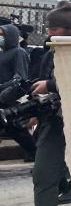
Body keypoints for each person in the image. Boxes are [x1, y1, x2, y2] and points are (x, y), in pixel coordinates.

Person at [13, 4, 71, 206]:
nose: (50, 32)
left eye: (55, 27)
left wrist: (51, 84)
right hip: (53, 121)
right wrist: (34, 110)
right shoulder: (48, 53)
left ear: (70, 29)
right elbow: (38, 84)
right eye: (50, 27)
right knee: (44, 174)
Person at [0, 22, 37, 161]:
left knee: (15, 128)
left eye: (2, 35)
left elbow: (20, 78)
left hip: (10, 97)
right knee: (14, 129)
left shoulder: (18, 52)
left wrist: (3, 86)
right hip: (2, 96)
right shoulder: (3, 53)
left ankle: (35, 154)